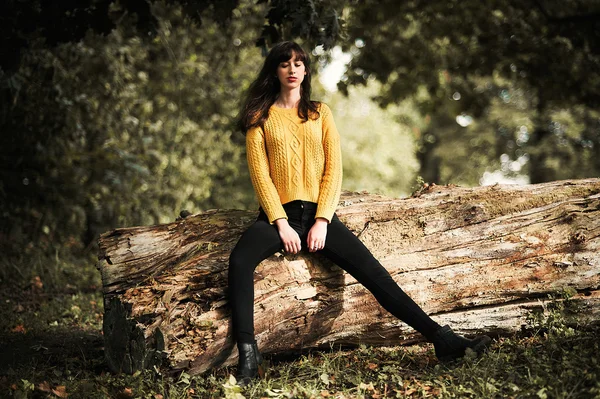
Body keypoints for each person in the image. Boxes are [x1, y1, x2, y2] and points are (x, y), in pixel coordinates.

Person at [229, 41, 491, 387]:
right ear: (274, 70)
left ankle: (443, 340)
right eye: (284, 63)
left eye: (298, 63)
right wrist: (281, 224)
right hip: (278, 218)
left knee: (376, 275)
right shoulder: (259, 118)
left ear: (306, 71)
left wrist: (322, 220)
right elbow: (260, 176)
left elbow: (333, 170)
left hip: (320, 216)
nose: (292, 69)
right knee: (239, 261)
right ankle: (249, 355)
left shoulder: (321, 112)